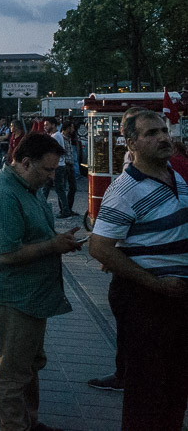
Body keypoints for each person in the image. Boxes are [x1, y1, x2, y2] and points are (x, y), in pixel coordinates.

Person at [0, 132, 82, 431]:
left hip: (30, 295)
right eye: (46, 170)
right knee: (12, 372)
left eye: (54, 170)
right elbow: (6, 254)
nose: (51, 177)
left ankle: (29, 422)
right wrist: (53, 246)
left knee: (29, 365)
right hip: (13, 296)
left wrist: (58, 241)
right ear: (24, 163)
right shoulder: (3, 194)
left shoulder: (25, 187)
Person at [89, 109, 188, 431]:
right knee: (147, 391)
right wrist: (154, 283)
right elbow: (100, 246)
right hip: (146, 299)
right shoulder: (125, 190)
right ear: (131, 142)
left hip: (177, 298)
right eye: (151, 133)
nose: (163, 137)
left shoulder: (175, 175)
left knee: (175, 386)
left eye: (164, 130)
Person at [41, 118, 70, 219]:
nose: (45, 127)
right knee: (47, 187)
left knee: (58, 188)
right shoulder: (53, 136)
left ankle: (65, 210)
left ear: (53, 125)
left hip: (57, 166)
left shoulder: (56, 136)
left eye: (47, 125)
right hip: (54, 165)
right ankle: (41, 207)